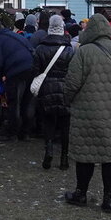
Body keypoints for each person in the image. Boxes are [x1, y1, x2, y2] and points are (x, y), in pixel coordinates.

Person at [62, 14, 111, 213]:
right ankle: (109, 197)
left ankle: (81, 192)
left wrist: (68, 100)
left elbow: (72, 82)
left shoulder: (83, 52)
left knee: (85, 153)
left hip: (88, 109)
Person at [32, 15, 74, 170]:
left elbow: (35, 70)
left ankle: (48, 150)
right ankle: (64, 158)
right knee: (65, 124)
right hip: (65, 88)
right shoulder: (69, 49)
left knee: (48, 121)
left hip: (46, 88)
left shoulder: (40, 48)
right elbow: (73, 71)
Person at [0, 18, 35, 142]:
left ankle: (11, 133)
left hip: (16, 71)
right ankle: (25, 132)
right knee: (26, 102)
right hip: (31, 67)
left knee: (14, 102)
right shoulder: (15, 36)